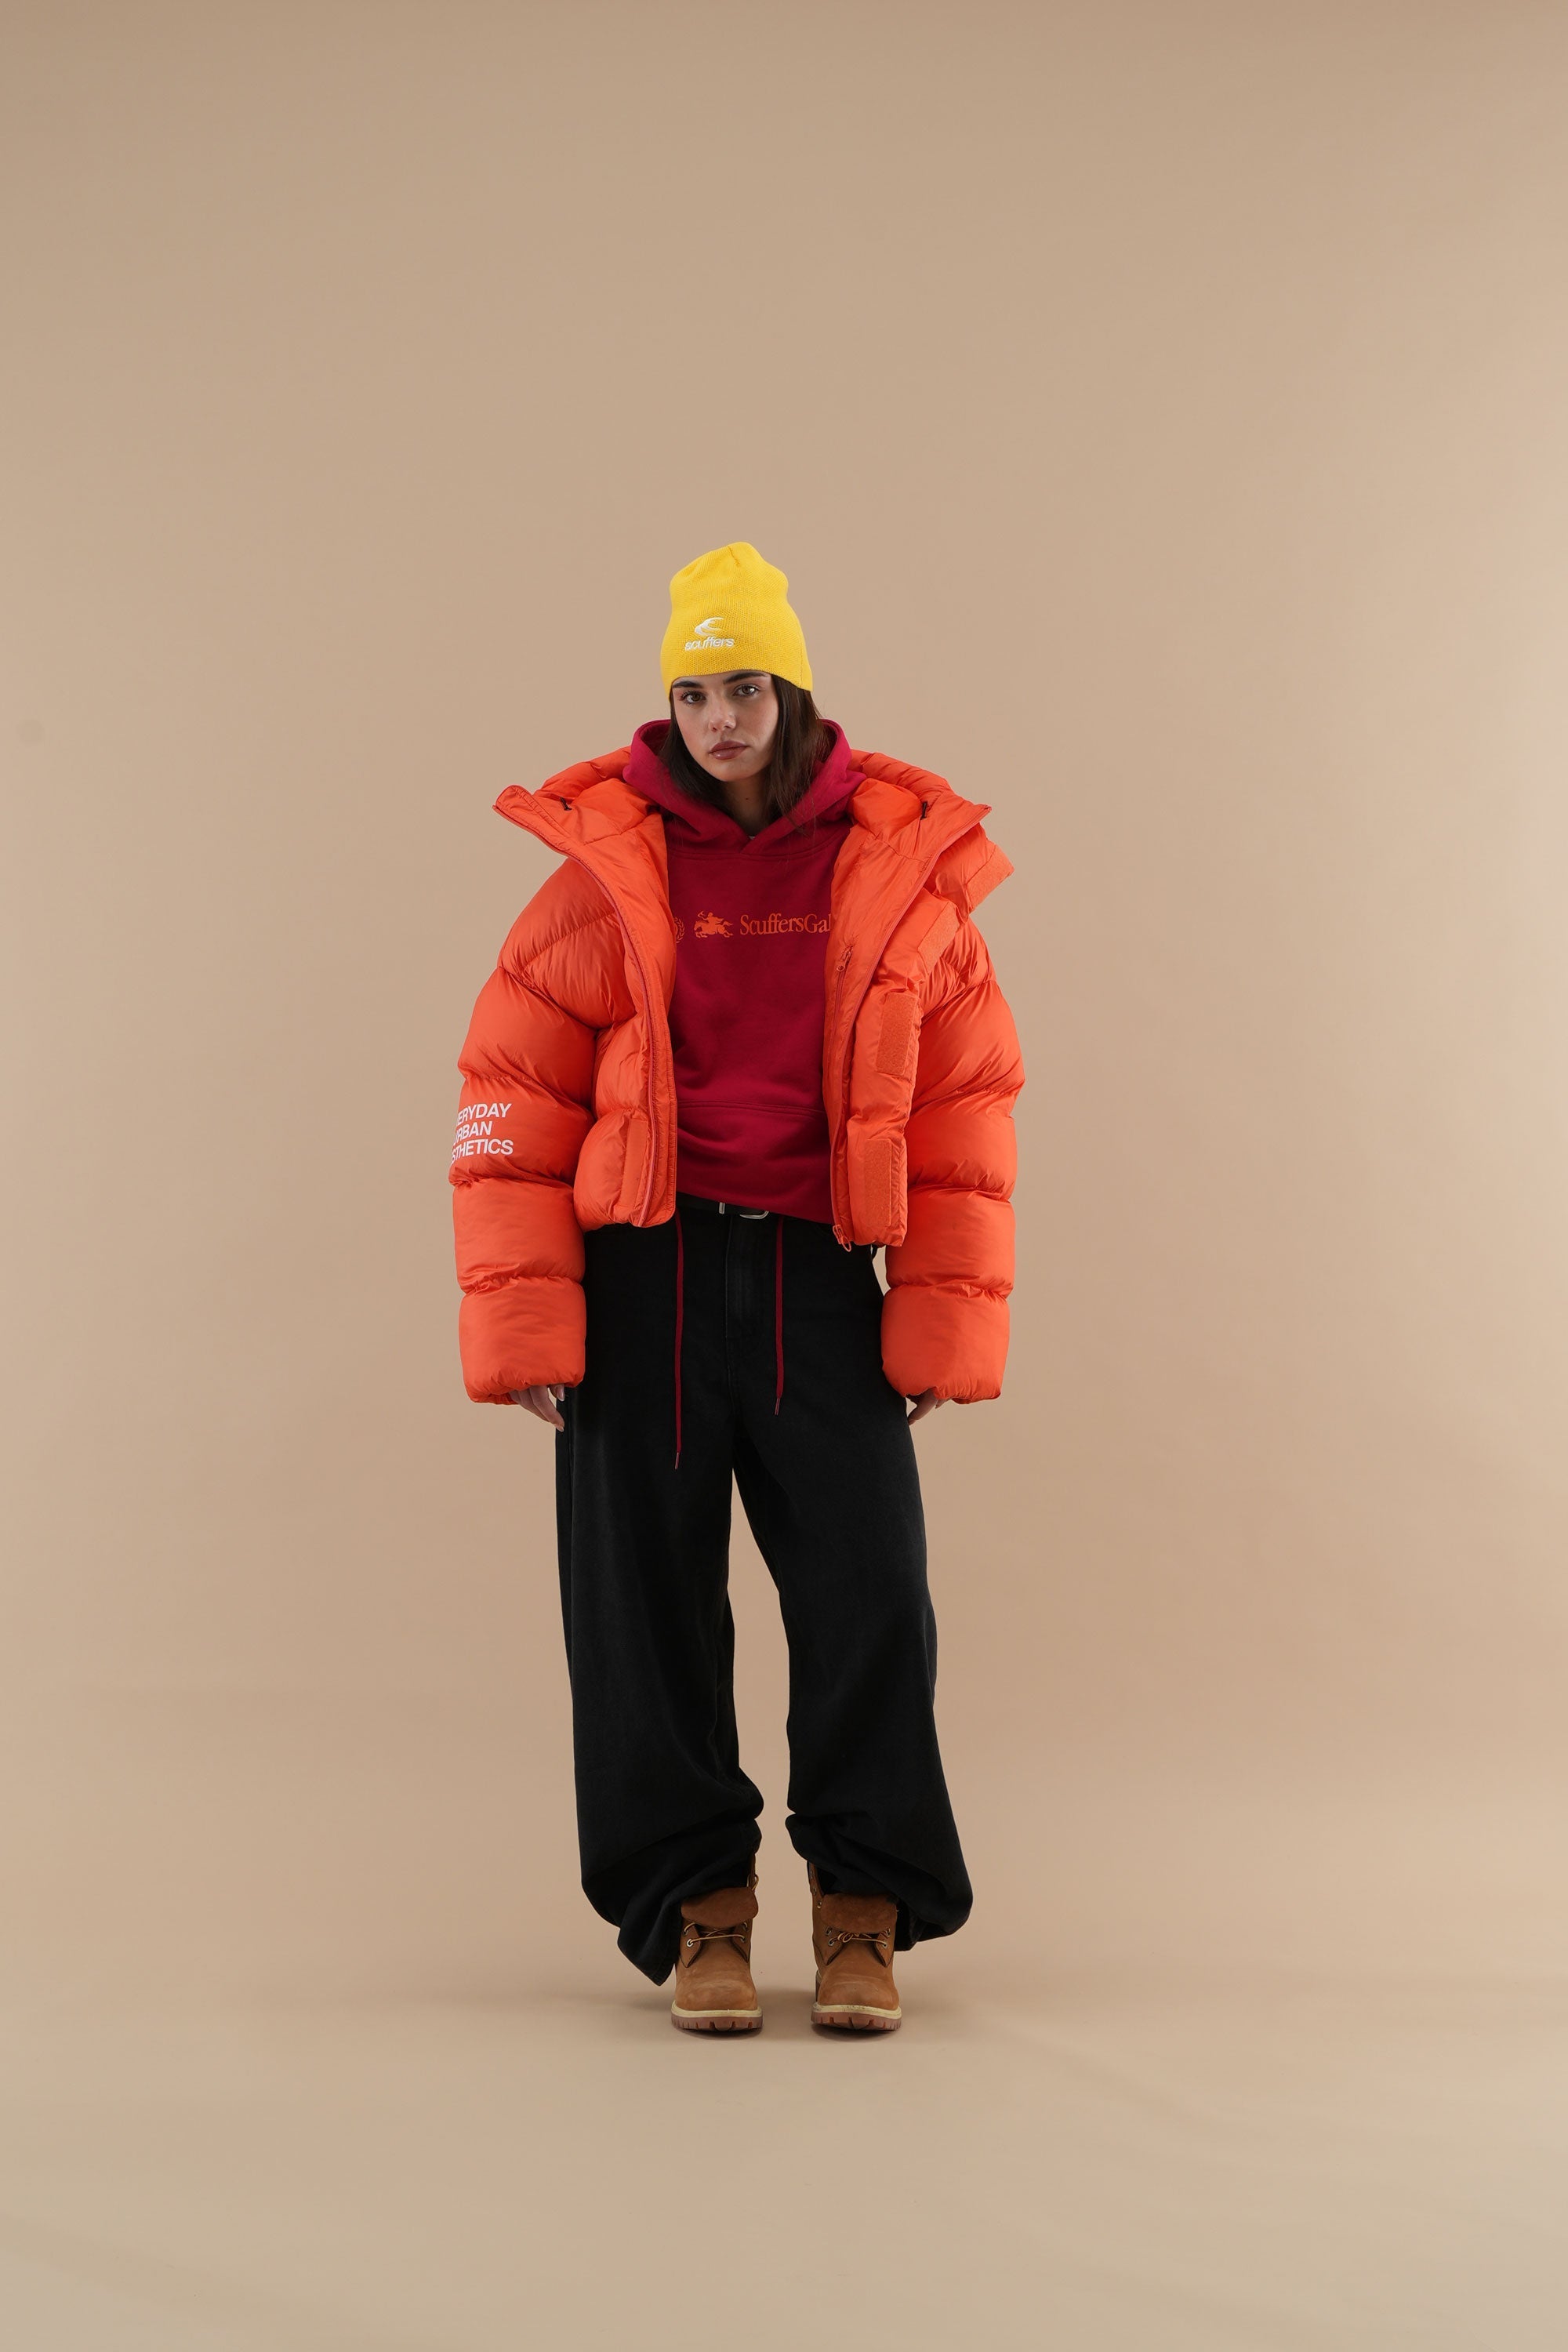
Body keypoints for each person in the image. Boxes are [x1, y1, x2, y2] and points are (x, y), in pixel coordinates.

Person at [449, 542, 1023, 2034]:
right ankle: (698, 1908)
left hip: (817, 1277)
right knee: (642, 1611)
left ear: (794, 691)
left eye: (745, 687)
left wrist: (940, 1320)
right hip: (643, 1275)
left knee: (868, 1596)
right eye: (694, 693)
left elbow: (966, 1105)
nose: (719, 720)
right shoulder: (604, 876)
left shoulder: (890, 871)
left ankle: (863, 1913)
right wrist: (528, 1323)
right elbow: (512, 1095)